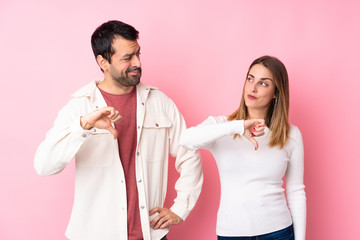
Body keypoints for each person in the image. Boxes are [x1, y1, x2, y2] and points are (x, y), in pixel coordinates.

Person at [34, 20, 203, 240]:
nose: (137, 63)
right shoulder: (79, 107)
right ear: (103, 62)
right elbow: (44, 165)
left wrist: (181, 208)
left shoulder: (160, 102)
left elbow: (189, 153)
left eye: (138, 54)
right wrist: (83, 125)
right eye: (127, 58)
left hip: (152, 234)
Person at [180, 56, 306, 240]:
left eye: (263, 83)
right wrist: (237, 126)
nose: (252, 87)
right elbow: (185, 139)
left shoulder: (291, 135)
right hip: (231, 234)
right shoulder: (221, 127)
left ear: (276, 93)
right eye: (250, 78)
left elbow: (296, 191)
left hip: (278, 232)